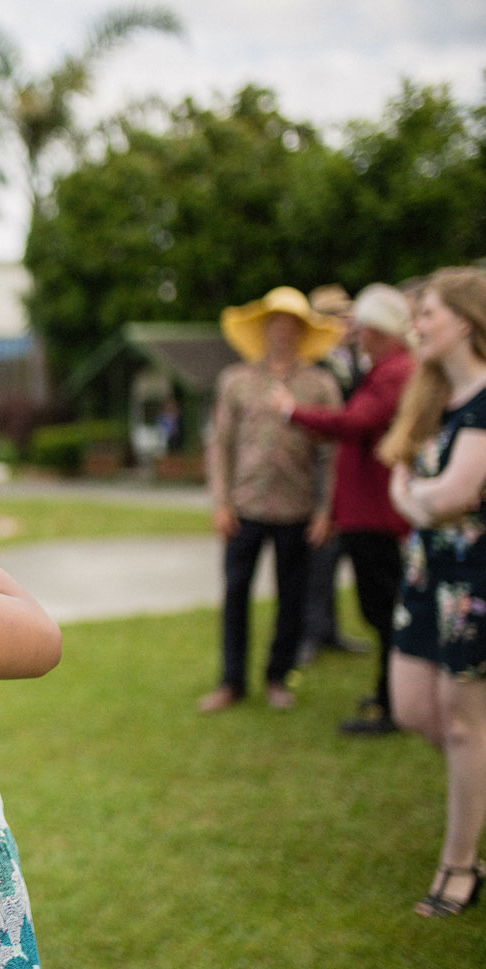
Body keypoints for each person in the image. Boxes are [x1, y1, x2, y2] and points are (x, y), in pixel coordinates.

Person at [377, 267, 486, 917]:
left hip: (473, 584)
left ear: (466, 322)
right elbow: (411, 490)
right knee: (415, 709)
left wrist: (415, 498)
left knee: (467, 724)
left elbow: (451, 498)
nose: (416, 326)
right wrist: (420, 501)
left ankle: (459, 866)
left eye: (428, 315)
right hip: (426, 575)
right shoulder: (432, 396)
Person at [272, 283, 415, 734]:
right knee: (380, 608)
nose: (355, 333)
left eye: (362, 327)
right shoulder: (384, 370)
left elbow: (357, 422)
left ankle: (395, 705)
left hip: (375, 513)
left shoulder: (393, 372)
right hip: (365, 511)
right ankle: (390, 694)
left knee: (385, 608)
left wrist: (294, 412)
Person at [201, 286, 342, 713]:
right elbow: (220, 445)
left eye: (291, 325)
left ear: (302, 332)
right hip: (245, 507)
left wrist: (325, 510)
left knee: (292, 597)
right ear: (264, 330)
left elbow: (333, 453)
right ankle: (232, 681)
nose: (282, 332)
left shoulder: (319, 385)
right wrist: (221, 502)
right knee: (236, 594)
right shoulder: (236, 381)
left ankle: (278, 677)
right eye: (275, 325)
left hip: (297, 508)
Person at [298, 284, 371, 663]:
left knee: (335, 555)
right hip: (320, 469)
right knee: (318, 553)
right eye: (339, 317)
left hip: (351, 470)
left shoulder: (359, 361)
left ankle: (328, 629)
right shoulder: (313, 366)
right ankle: (310, 632)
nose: (348, 323)